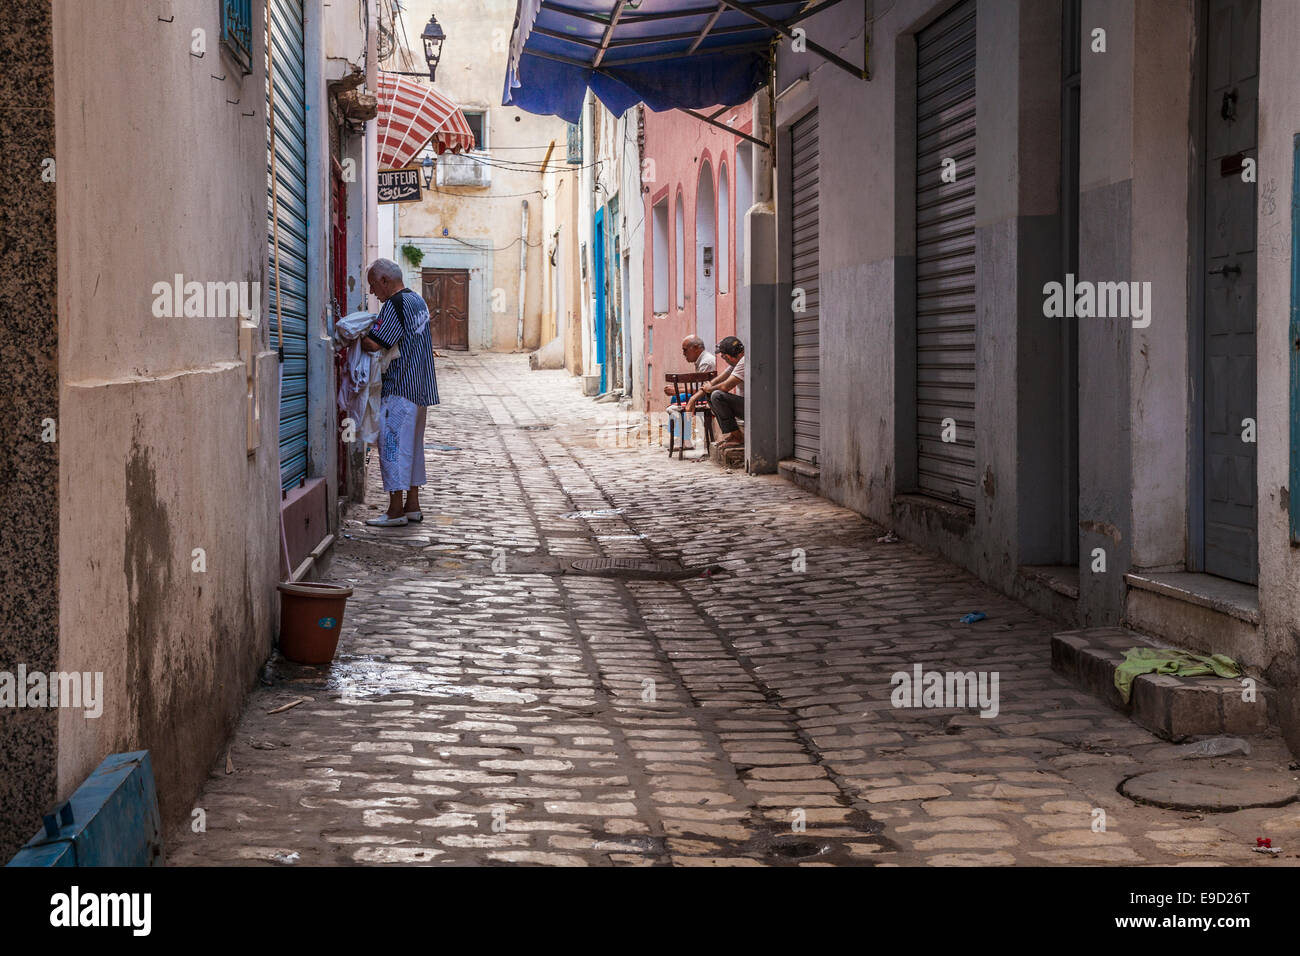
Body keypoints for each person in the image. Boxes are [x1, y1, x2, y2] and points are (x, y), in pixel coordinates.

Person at [359, 258, 439, 527]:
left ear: (385, 281)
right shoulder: (418, 301)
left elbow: (375, 343)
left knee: (391, 447)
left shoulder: (395, 305)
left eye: (373, 285)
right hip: (420, 389)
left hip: (400, 388)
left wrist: (354, 331)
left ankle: (394, 511)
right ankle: (412, 505)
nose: (373, 293)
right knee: (413, 448)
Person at [686, 335, 744, 448]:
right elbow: (715, 381)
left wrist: (709, 389)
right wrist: (692, 399)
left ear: (728, 356)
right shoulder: (736, 363)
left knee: (717, 395)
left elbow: (725, 386)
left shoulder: (743, 362)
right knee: (712, 394)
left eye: (723, 357)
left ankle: (738, 437)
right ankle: (733, 434)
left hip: (753, 408)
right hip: (745, 404)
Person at [664, 335, 715, 450]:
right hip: (701, 394)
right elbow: (697, 387)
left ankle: (685, 439)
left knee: (680, 398)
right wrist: (676, 391)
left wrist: (676, 390)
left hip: (708, 396)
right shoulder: (702, 360)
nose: (683, 353)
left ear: (696, 348)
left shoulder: (706, 362)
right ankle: (681, 437)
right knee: (676, 398)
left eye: (685, 350)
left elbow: (702, 388)